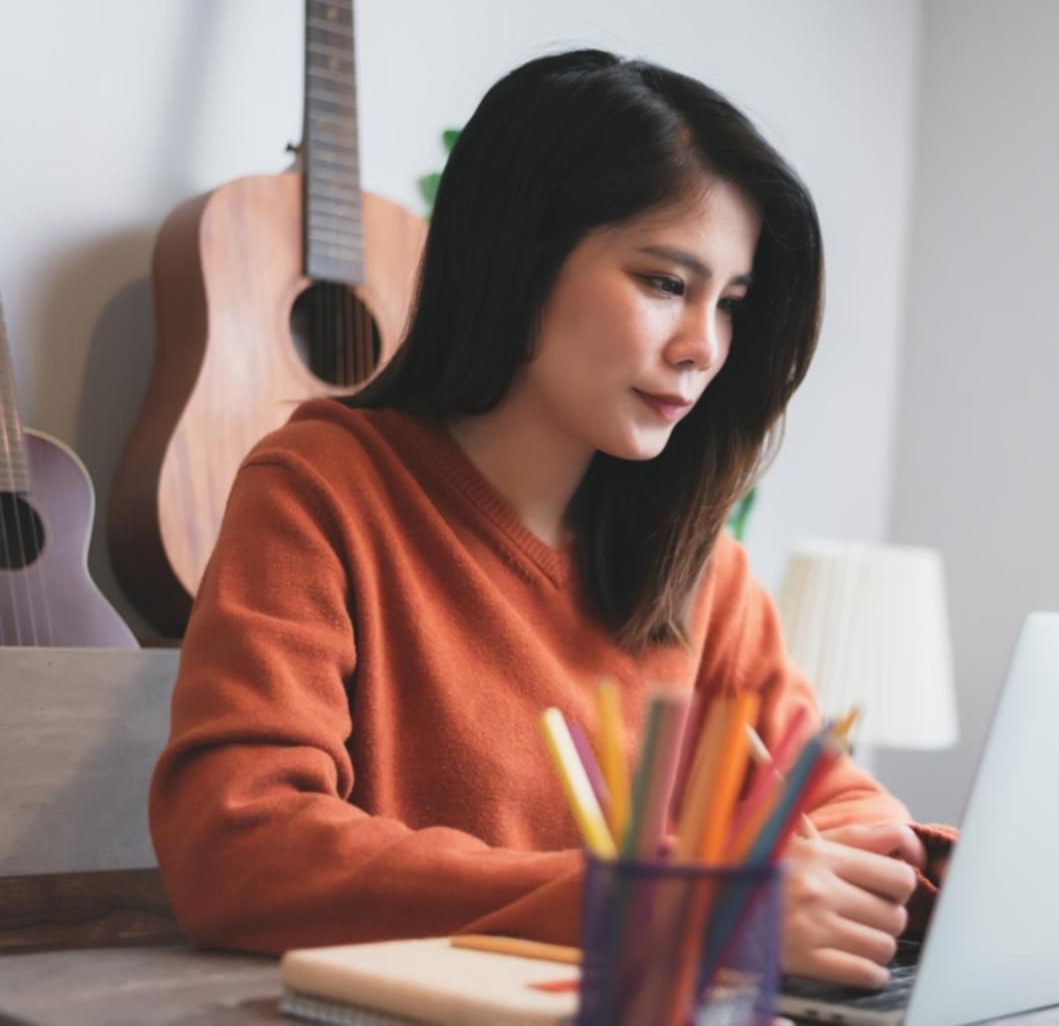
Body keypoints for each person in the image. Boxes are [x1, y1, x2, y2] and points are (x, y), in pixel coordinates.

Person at [148, 48, 953, 989]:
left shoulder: (699, 567)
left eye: (728, 304)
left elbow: (835, 802)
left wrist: (881, 870)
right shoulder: (322, 489)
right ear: (518, 259)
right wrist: (674, 910)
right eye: (663, 282)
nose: (702, 347)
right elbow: (241, 851)